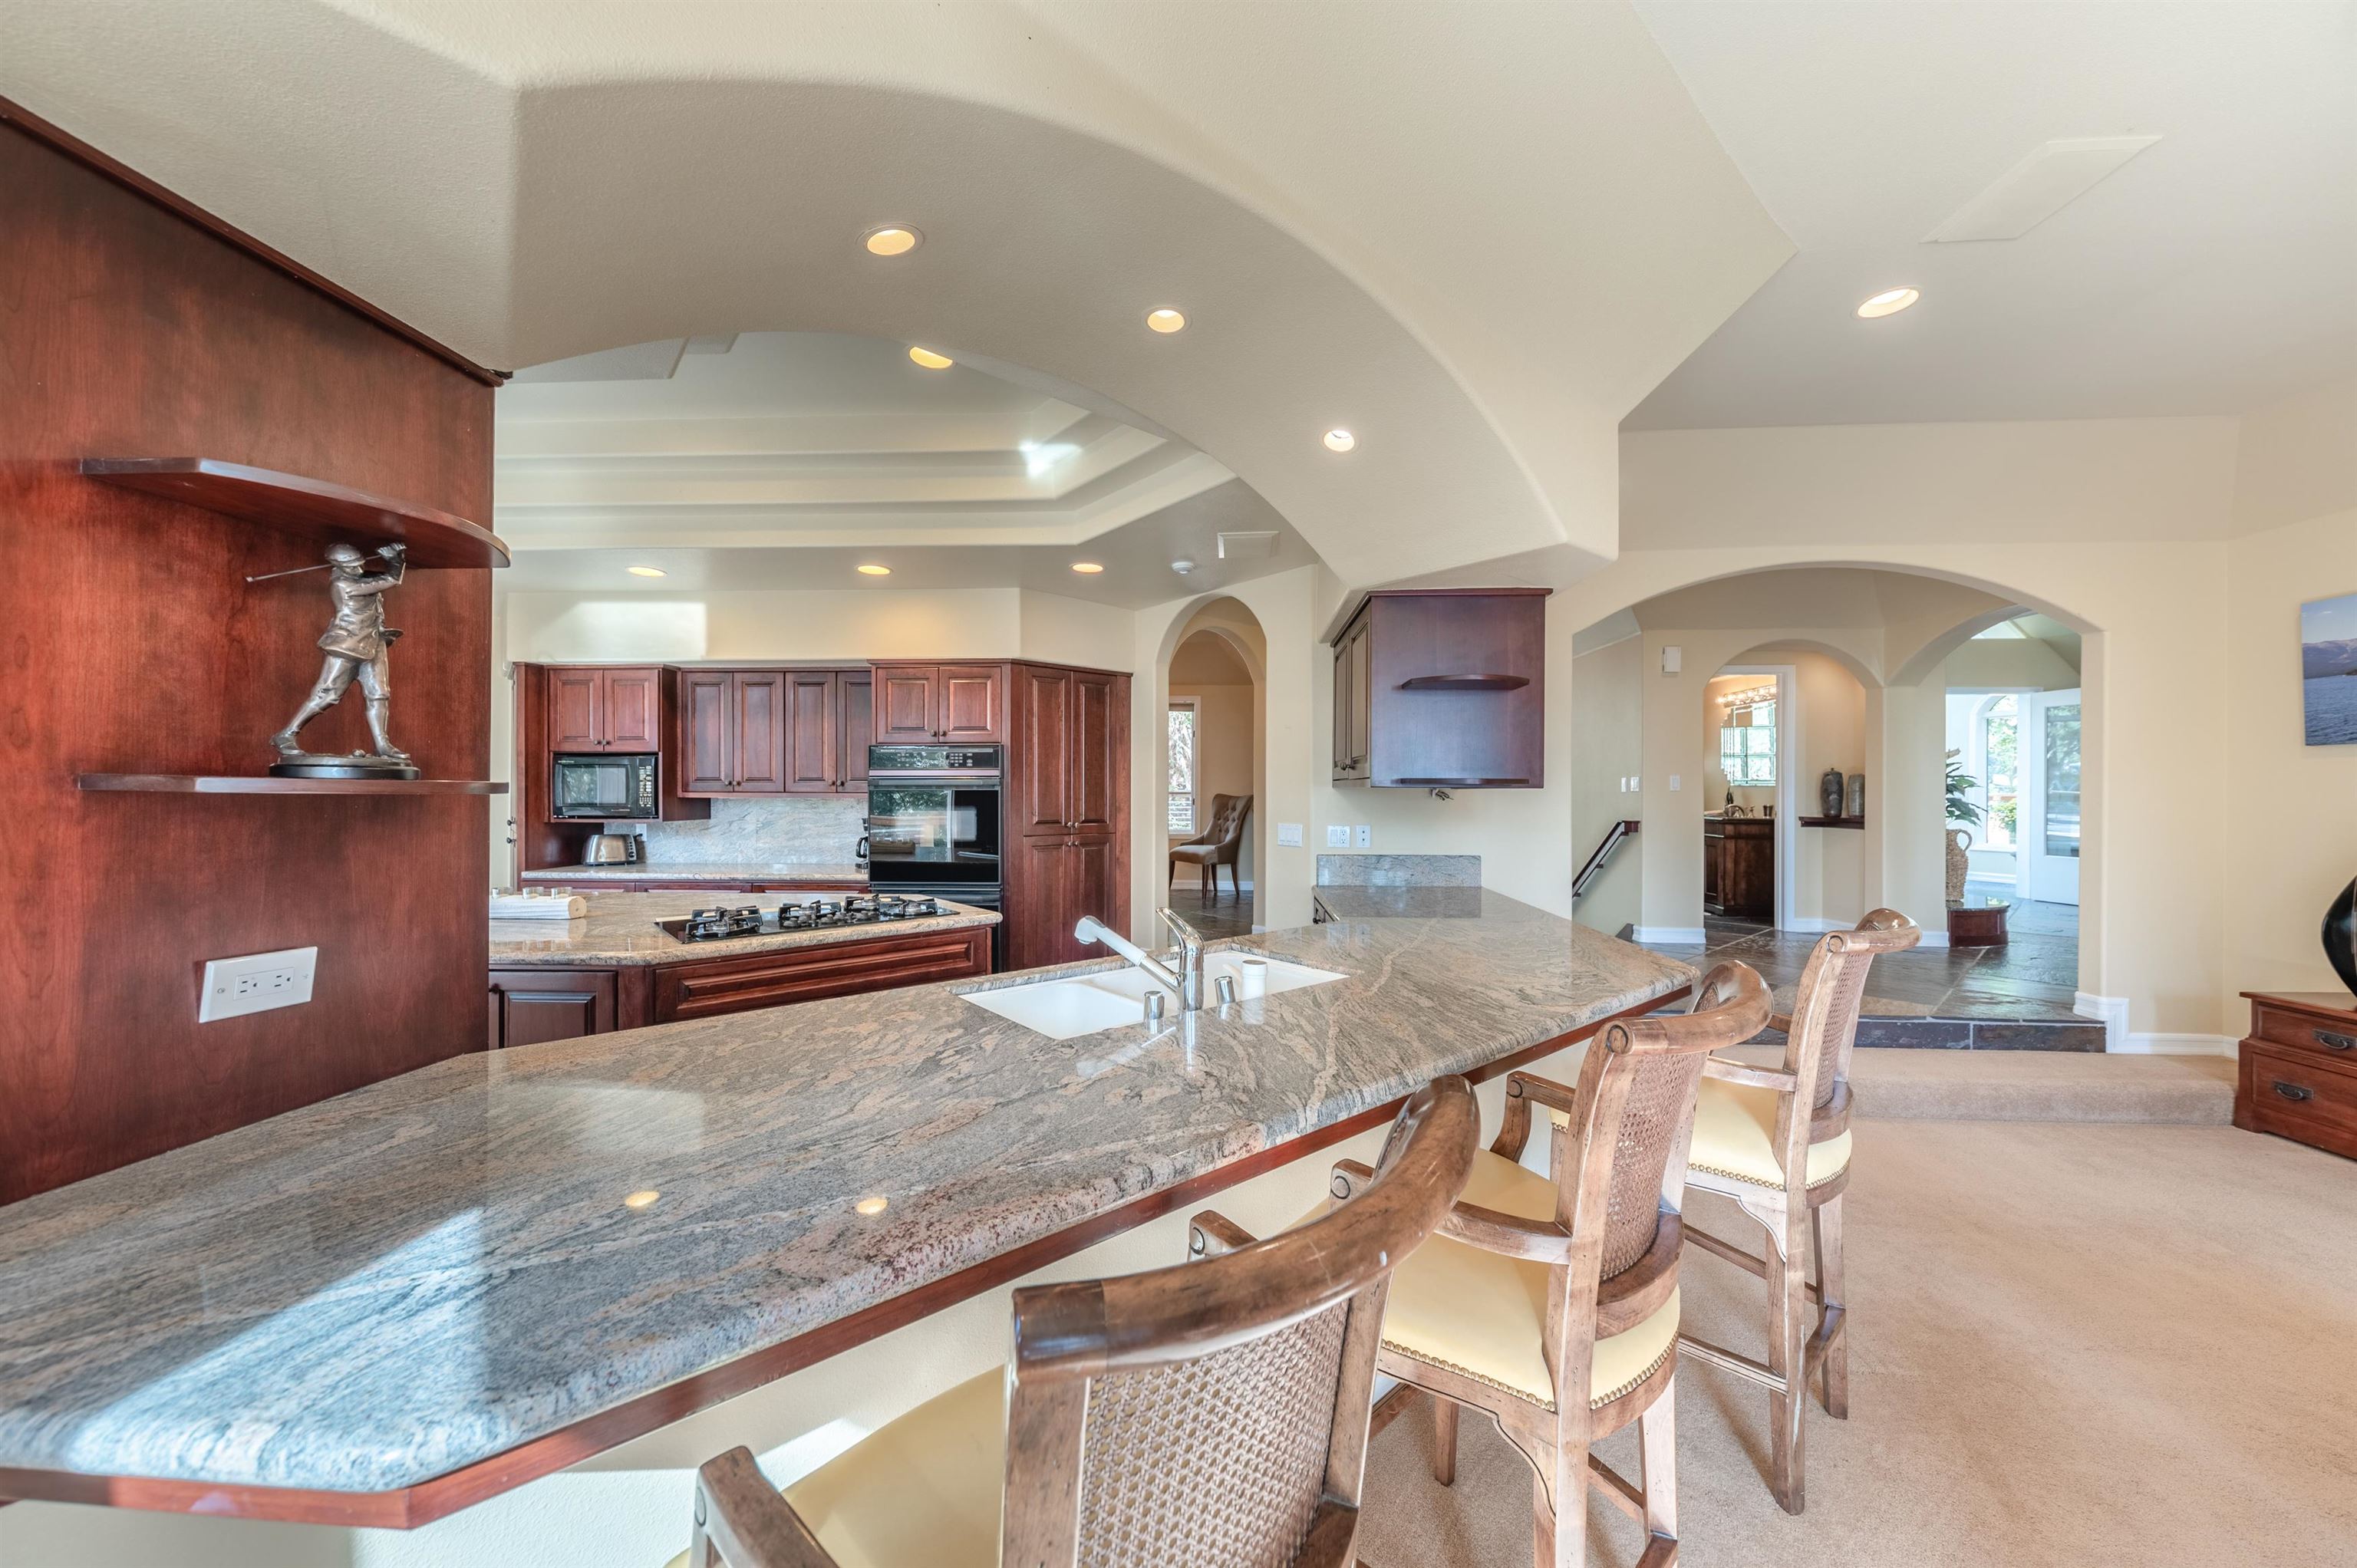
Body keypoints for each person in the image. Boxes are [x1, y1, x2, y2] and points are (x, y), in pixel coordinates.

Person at [271, 542, 410, 763]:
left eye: (360, 564)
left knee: (379, 694)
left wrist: (392, 557)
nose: (358, 569)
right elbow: (390, 580)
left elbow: (376, 579)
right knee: (327, 694)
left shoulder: (359, 577)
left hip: (373, 643)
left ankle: (383, 745)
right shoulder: (343, 584)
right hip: (346, 646)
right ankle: (286, 735)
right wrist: (395, 559)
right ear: (338, 566)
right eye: (352, 566)